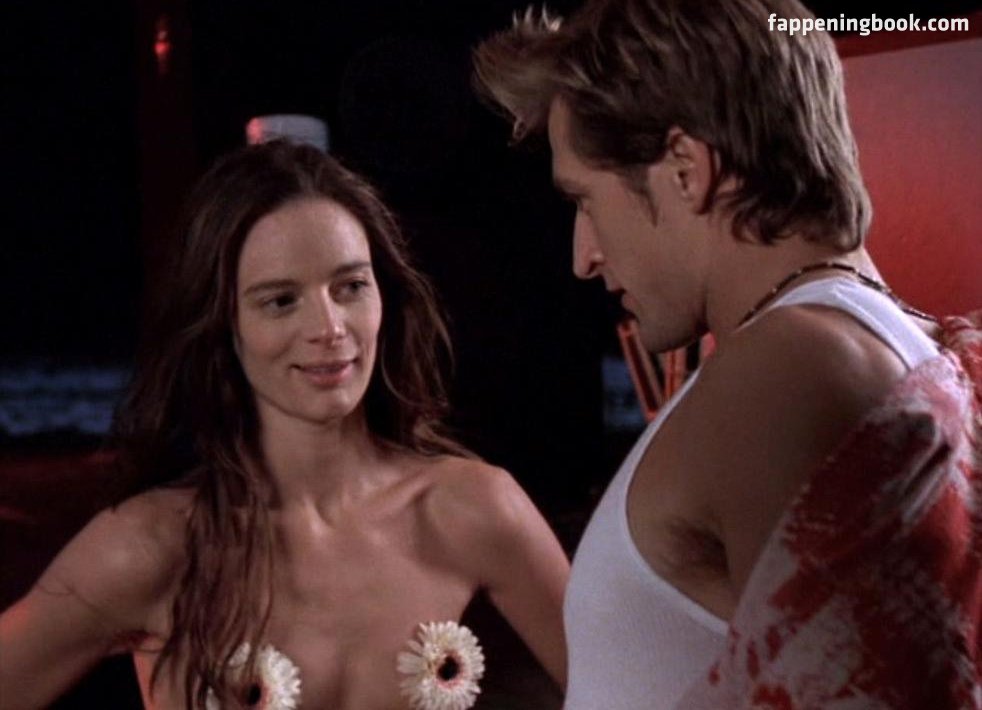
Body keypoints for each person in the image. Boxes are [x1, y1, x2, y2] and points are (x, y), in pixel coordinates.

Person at [473, 0, 980, 707]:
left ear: (686, 169)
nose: (582, 257)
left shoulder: (790, 371)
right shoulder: (874, 339)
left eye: (585, 200)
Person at [0, 140, 569, 709]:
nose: (330, 327)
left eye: (350, 287)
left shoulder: (470, 509)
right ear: (223, 323)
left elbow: (620, 686)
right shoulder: (154, 545)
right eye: (280, 301)